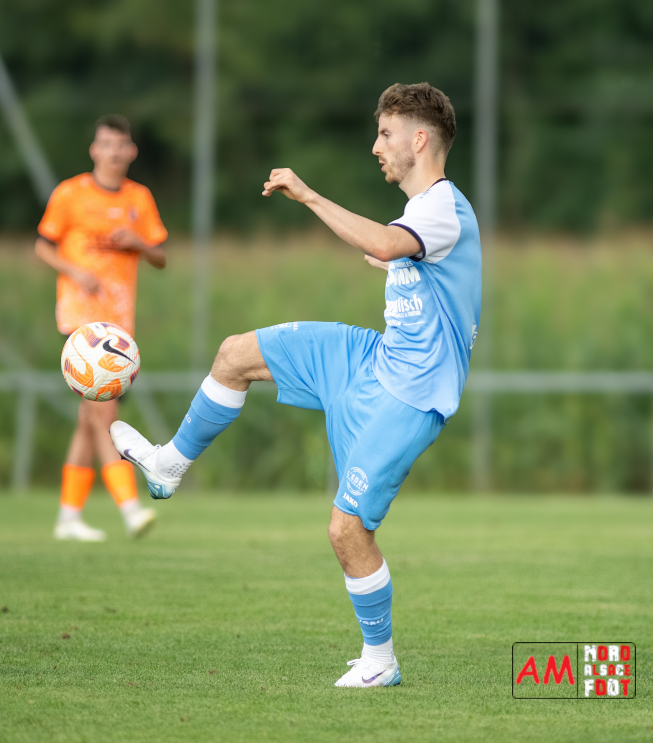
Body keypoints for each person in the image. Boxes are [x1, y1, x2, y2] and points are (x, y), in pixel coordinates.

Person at [109, 83, 481, 688]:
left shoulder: (443, 206)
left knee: (347, 531)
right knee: (235, 355)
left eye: (385, 133)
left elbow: (387, 241)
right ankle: (169, 465)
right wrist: (392, 261)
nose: (375, 146)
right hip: (371, 359)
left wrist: (309, 196)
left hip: (410, 395)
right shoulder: (425, 214)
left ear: (419, 140)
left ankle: (380, 660)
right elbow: (401, 254)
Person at [36, 115, 167, 542]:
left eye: (120, 144)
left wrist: (139, 244)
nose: (113, 151)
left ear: (131, 151)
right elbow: (42, 245)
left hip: (118, 327)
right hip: (81, 326)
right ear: (94, 149)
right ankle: (130, 509)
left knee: (88, 420)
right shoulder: (70, 193)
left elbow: (161, 257)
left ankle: (68, 517)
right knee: (105, 414)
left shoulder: (139, 198)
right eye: (105, 143)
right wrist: (75, 271)